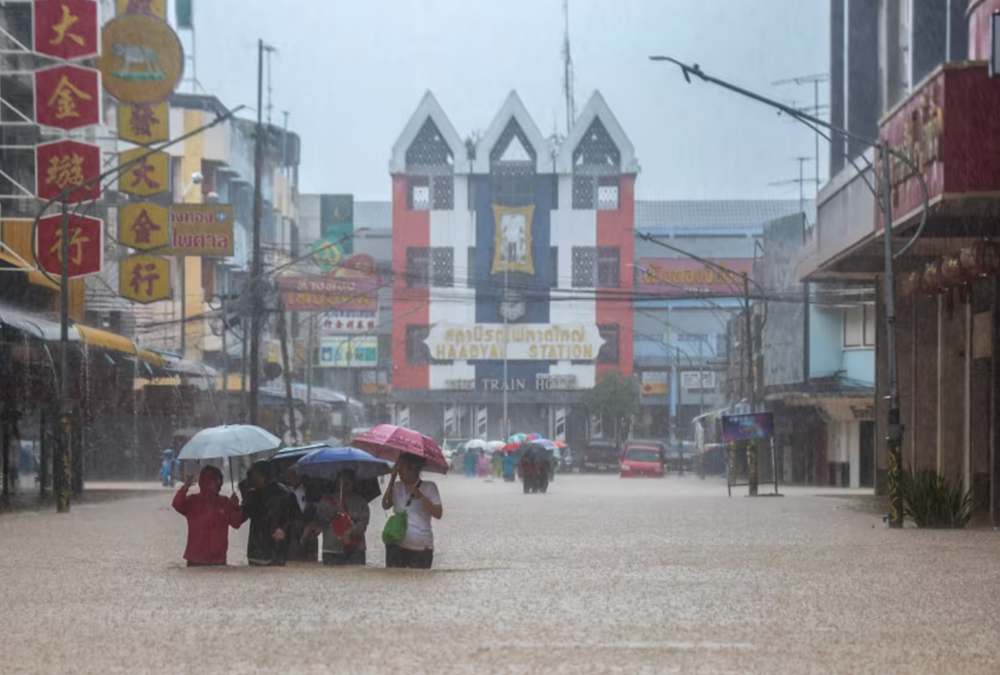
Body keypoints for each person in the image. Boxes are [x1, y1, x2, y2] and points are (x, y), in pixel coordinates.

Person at [172, 466, 242, 567]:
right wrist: (185, 487)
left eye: (220, 481)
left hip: (218, 560)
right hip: (196, 560)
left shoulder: (225, 502)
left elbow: (236, 523)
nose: (220, 485)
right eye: (217, 481)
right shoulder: (193, 501)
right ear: (207, 482)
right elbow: (176, 504)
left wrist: (235, 506)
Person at [381, 453, 443, 569]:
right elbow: (385, 505)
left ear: (413, 468)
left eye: (401, 467)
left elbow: (438, 514)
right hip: (397, 546)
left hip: (421, 548)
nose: (398, 471)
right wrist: (392, 479)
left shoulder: (429, 487)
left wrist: (420, 496)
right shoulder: (397, 486)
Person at [302, 470, 370, 566]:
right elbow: (319, 521)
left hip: (355, 550)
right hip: (332, 549)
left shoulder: (361, 502)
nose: (344, 487)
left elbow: (363, 524)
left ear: (354, 483)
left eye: (348, 483)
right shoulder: (326, 501)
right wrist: (334, 510)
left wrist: (350, 531)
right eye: (341, 483)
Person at [240, 461, 297, 567]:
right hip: (255, 553)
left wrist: (282, 529)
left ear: (264, 475)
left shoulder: (284, 494)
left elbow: (293, 518)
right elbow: (240, 518)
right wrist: (236, 505)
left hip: (276, 551)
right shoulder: (252, 494)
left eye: (254, 473)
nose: (252, 477)